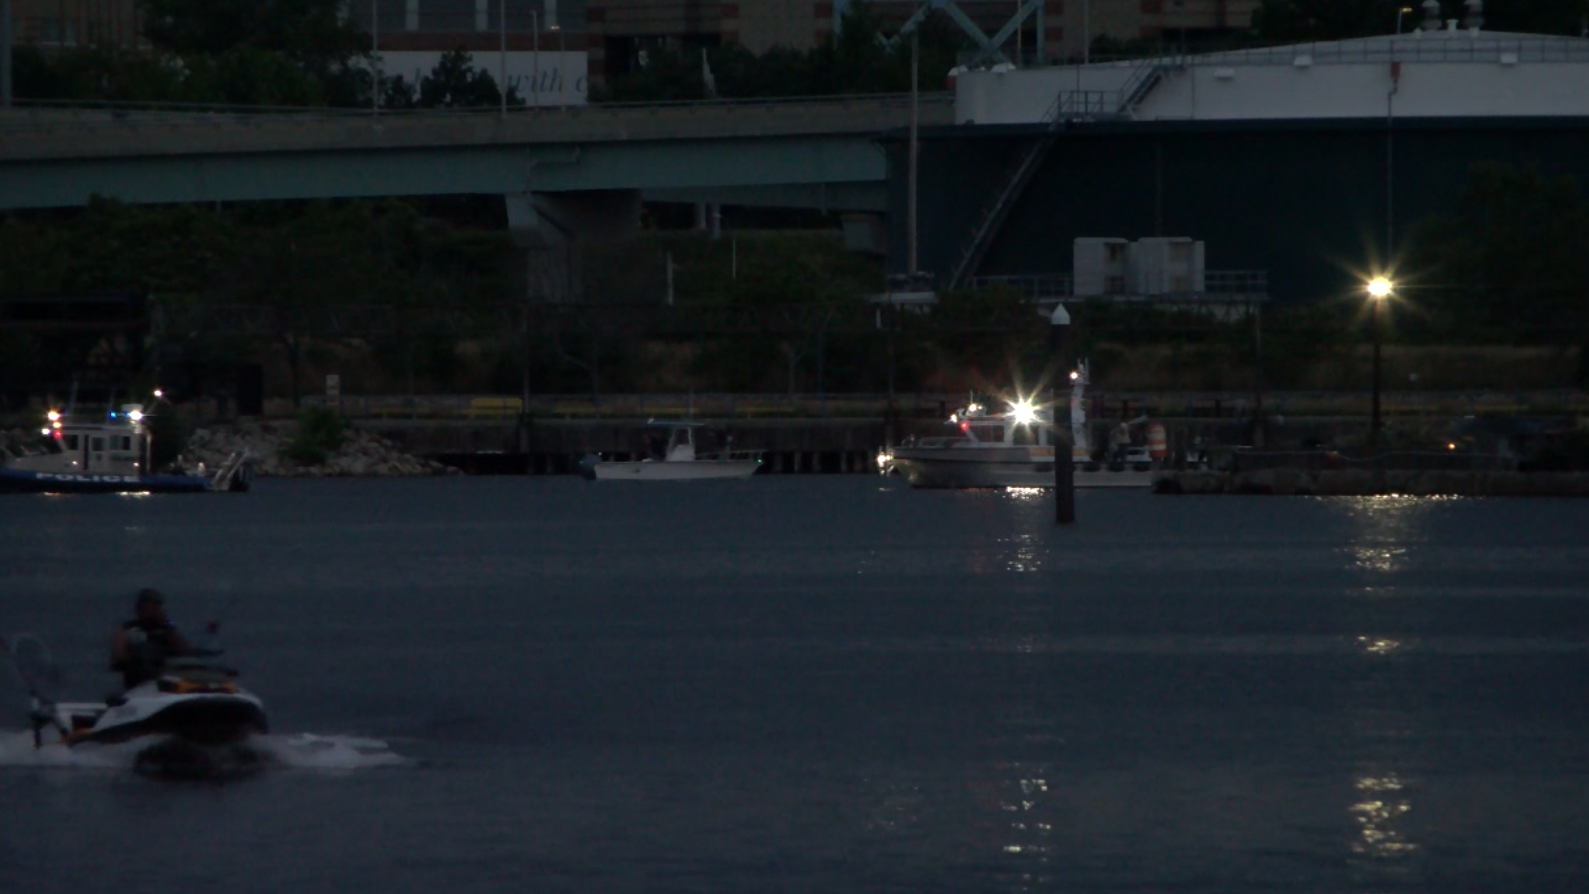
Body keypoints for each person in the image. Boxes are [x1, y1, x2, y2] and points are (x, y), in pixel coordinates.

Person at [110, 588, 191, 690]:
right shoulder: (129, 630)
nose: (151, 609)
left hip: (167, 680)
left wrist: (166, 625)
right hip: (140, 683)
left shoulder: (166, 629)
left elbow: (183, 649)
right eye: (147, 605)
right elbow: (119, 656)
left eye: (155, 606)